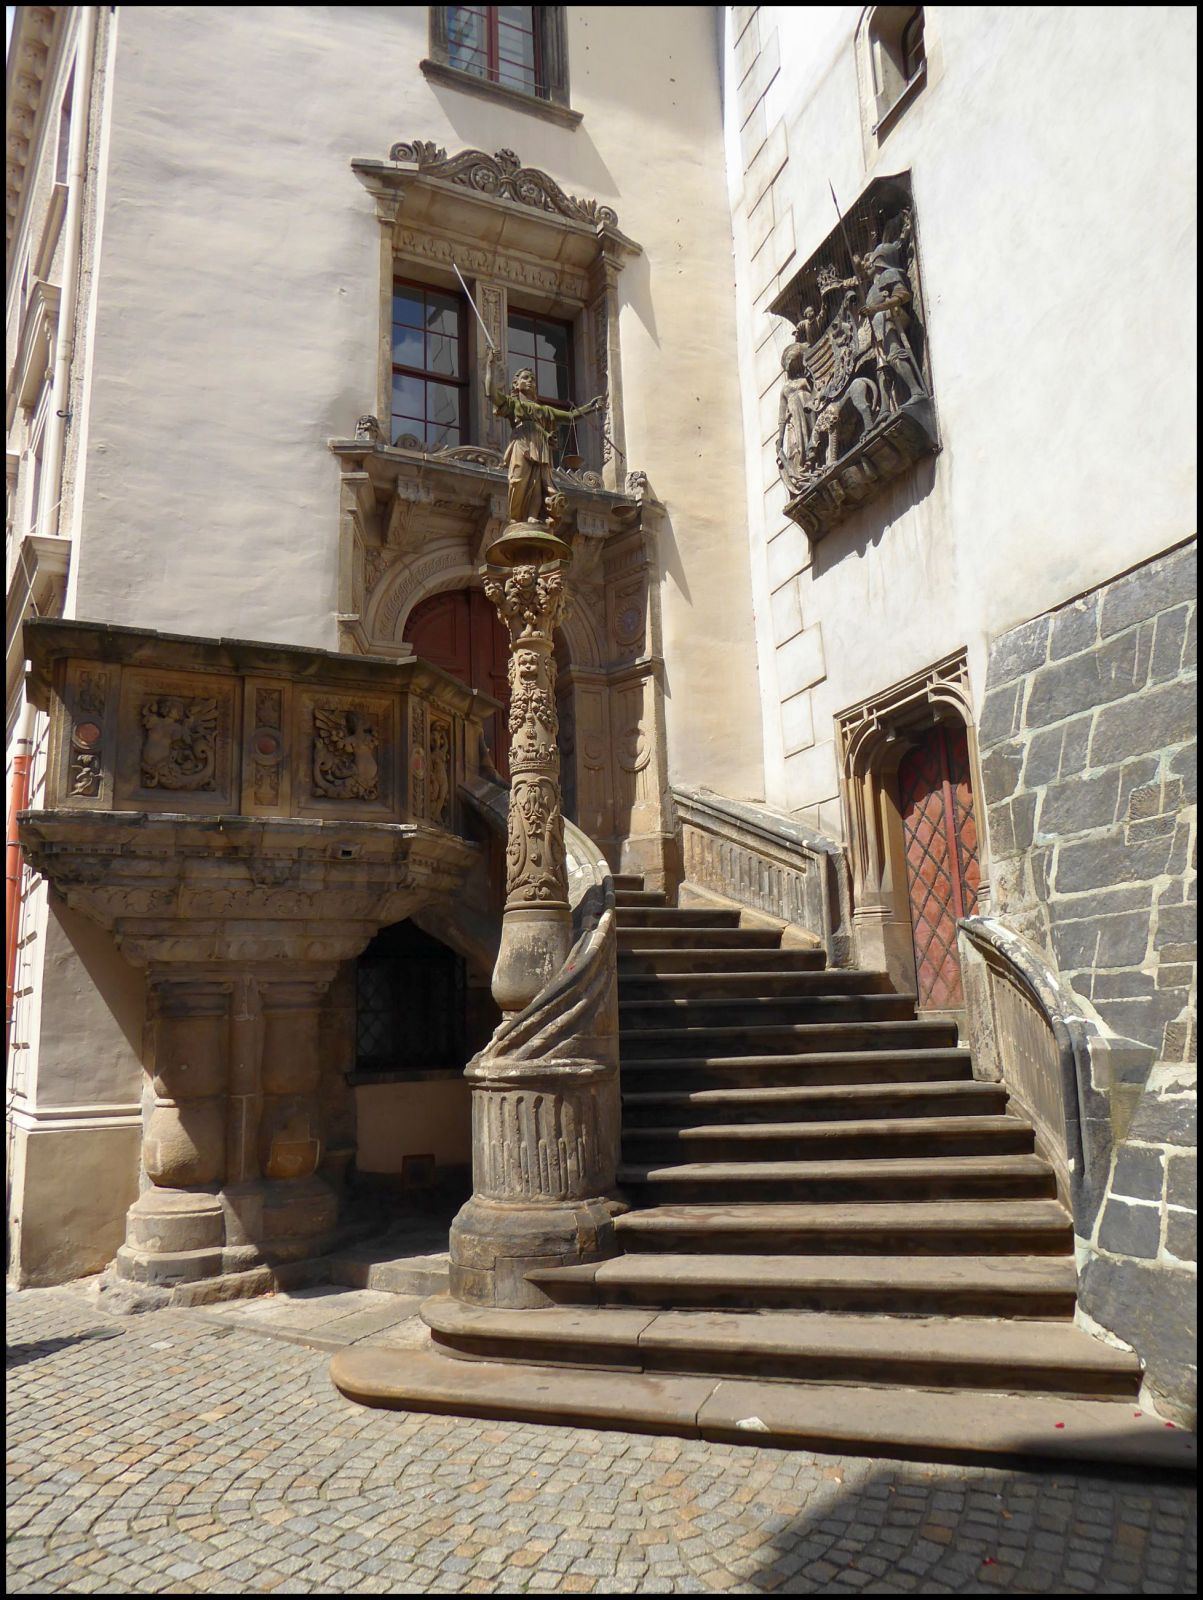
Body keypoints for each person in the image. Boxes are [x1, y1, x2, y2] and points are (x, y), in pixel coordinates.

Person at [485, 349, 605, 524]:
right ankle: (517, 517)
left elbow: (570, 416)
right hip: (522, 442)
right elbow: (491, 393)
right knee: (518, 479)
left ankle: (533, 515)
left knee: (538, 483)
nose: (530, 381)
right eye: (525, 378)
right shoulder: (513, 404)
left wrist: (590, 407)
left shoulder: (544, 410)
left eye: (533, 379)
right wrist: (490, 364)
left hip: (540, 445)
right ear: (516, 384)